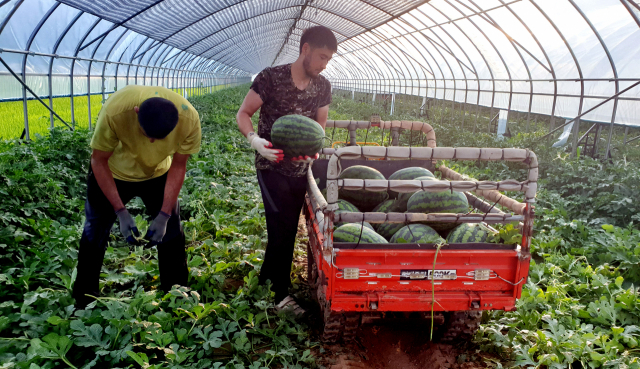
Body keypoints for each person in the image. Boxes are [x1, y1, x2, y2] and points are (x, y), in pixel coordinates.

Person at [236, 26, 337, 314]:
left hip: (299, 169)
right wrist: (255, 141)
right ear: (305, 49)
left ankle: (267, 281)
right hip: (270, 165)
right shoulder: (271, 77)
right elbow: (243, 113)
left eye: (328, 59)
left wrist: (314, 148)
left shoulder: (323, 86)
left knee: (288, 228)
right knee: (279, 226)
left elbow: (320, 126)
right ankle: (279, 296)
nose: (323, 64)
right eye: (321, 57)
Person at [72, 85, 201, 308]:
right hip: (113, 171)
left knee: (172, 231)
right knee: (95, 230)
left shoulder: (189, 119)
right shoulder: (115, 111)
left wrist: (164, 215)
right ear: (136, 112)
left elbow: (179, 166)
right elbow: (98, 160)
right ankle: (85, 298)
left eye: (159, 138)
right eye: (146, 134)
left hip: (158, 173)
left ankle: (177, 293)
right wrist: (121, 211)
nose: (151, 142)